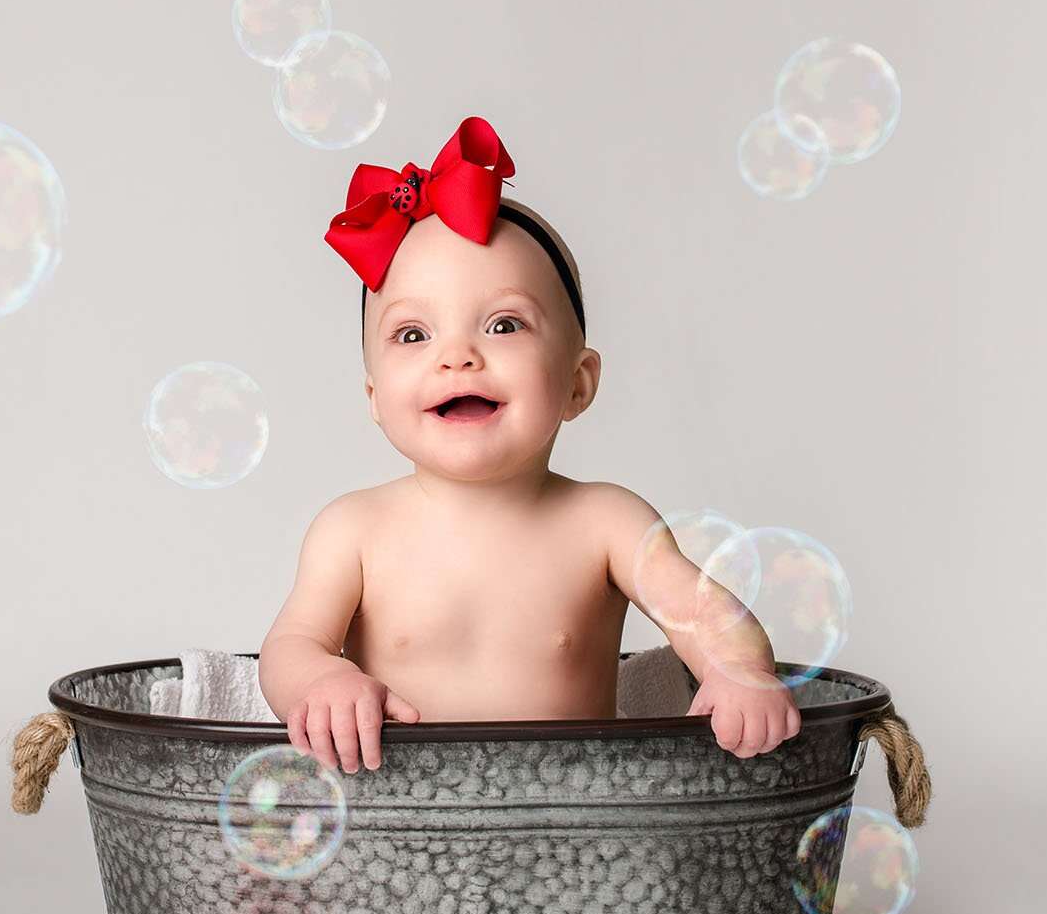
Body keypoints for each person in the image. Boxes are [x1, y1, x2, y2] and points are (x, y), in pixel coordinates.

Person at [257, 116, 802, 772]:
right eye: (412, 334)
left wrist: (739, 669)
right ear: (374, 397)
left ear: (578, 383)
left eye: (504, 323)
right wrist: (321, 682)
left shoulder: (605, 521)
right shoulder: (352, 530)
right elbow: (290, 646)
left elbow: (703, 613)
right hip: (400, 838)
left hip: (569, 833)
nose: (457, 356)